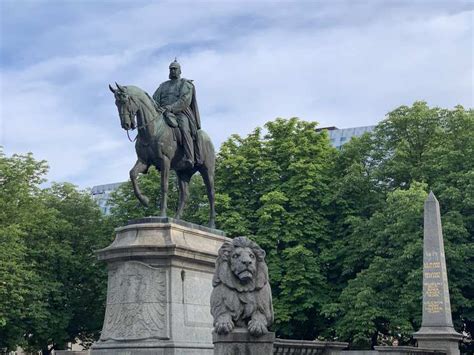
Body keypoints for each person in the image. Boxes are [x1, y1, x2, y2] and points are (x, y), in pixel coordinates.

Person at [153, 59, 202, 168]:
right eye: (171, 69)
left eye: (175, 69)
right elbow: (154, 100)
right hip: (163, 114)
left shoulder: (185, 84)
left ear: (180, 71)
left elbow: (184, 101)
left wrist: (170, 107)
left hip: (180, 113)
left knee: (184, 129)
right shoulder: (163, 86)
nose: (172, 71)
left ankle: (190, 157)